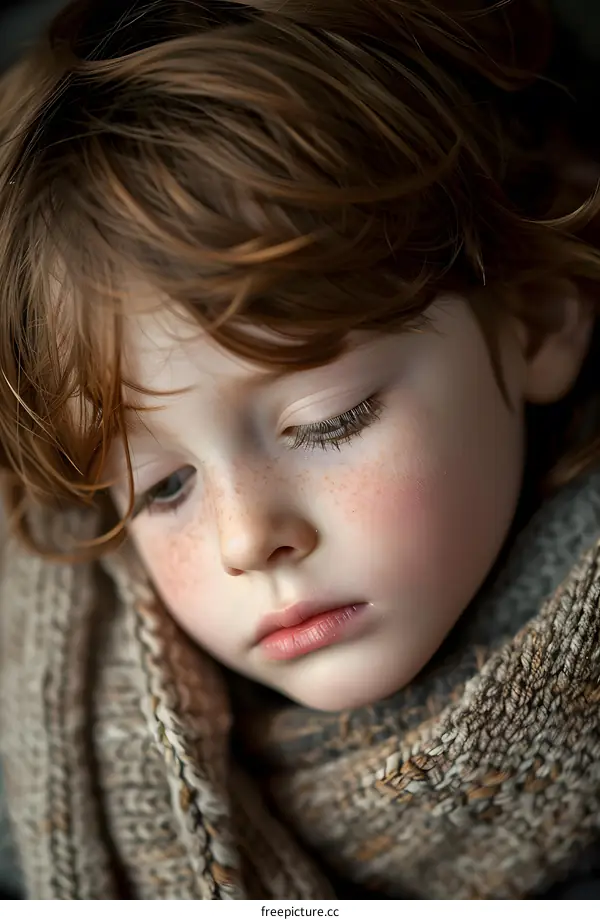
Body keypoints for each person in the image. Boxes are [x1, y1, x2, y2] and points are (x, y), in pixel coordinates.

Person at [0, 0, 599, 900]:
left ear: (538, 316)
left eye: (329, 421)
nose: (247, 540)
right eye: (162, 488)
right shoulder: (39, 764)